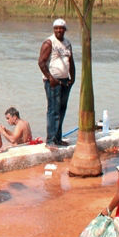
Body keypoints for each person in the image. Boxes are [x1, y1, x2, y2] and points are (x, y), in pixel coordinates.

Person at [38, 18, 75, 147]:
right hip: (53, 81)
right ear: (54, 29)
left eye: (61, 28)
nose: (59, 30)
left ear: (65, 30)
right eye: (56, 28)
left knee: (61, 110)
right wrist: (50, 78)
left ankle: (58, 138)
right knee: (53, 110)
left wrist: (72, 78)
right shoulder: (49, 43)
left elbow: (71, 61)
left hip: (65, 81)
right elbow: (41, 63)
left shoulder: (67, 43)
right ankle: (50, 141)